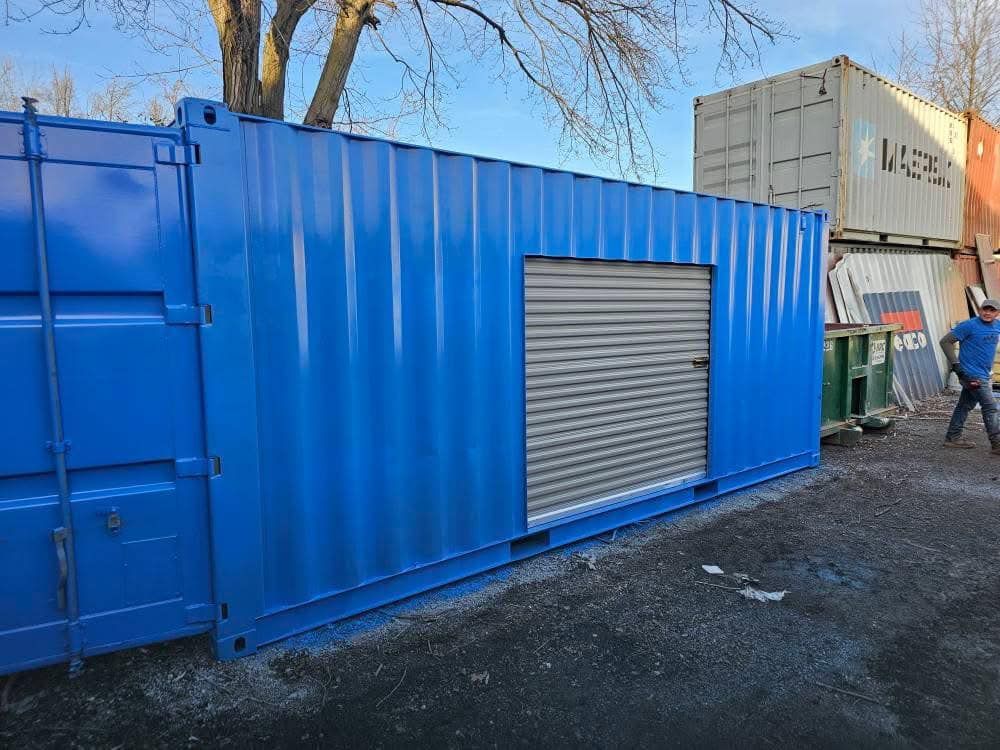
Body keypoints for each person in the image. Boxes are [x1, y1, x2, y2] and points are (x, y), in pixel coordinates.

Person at [940, 298, 1000, 454]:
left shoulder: (997, 326)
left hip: (984, 373)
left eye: (992, 310)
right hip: (971, 374)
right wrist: (956, 366)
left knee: (965, 405)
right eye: (985, 309)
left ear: (997, 313)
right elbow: (945, 342)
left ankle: (952, 438)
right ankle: (997, 444)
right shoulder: (969, 325)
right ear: (979, 310)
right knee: (990, 407)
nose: (987, 312)